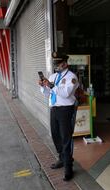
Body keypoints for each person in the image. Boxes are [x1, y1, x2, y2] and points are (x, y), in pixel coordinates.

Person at [38, 52, 79, 181]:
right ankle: (62, 158)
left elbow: (66, 93)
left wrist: (50, 85)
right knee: (55, 135)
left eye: (58, 63)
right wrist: (43, 86)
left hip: (66, 110)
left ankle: (68, 167)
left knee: (66, 137)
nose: (56, 66)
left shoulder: (72, 77)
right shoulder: (53, 76)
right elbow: (48, 93)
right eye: (55, 63)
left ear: (65, 63)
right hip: (54, 108)